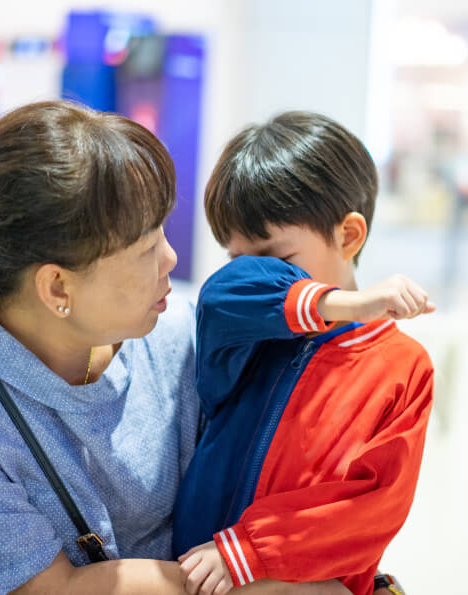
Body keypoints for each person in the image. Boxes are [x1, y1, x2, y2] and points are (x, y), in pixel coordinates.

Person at [0, 101, 348, 595]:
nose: (170, 259)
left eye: (163, 231)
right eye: (144, 248)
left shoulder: (178, 336)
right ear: (57, 288)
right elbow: (48, 591)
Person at [172, 112, 435, 595]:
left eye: (277, 259)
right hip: (197, 576)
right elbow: (227, 291)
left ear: (349, 235)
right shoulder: (241, 328)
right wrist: (351, 303)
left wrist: (250, 551)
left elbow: (374, 506)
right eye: (239, 257)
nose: (258, 272)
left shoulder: (403, 367)